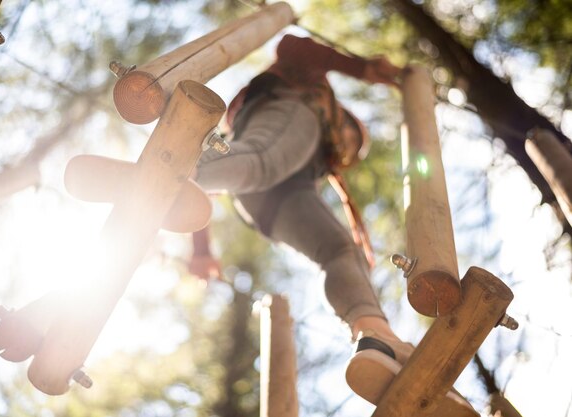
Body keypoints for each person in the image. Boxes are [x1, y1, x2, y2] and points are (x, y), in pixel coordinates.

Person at [189, 34, 475, 413]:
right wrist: (364, 68)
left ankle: (376, 335)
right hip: (278, 126)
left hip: (269, 197)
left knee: (340, 249)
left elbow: (203, 193)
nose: (345, 153)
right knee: (259, 158)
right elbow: (292, 46)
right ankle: (171, 168)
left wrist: (201, 250)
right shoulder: (307, 93)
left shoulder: (310, 160)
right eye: (351, 141)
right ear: (342, 120)